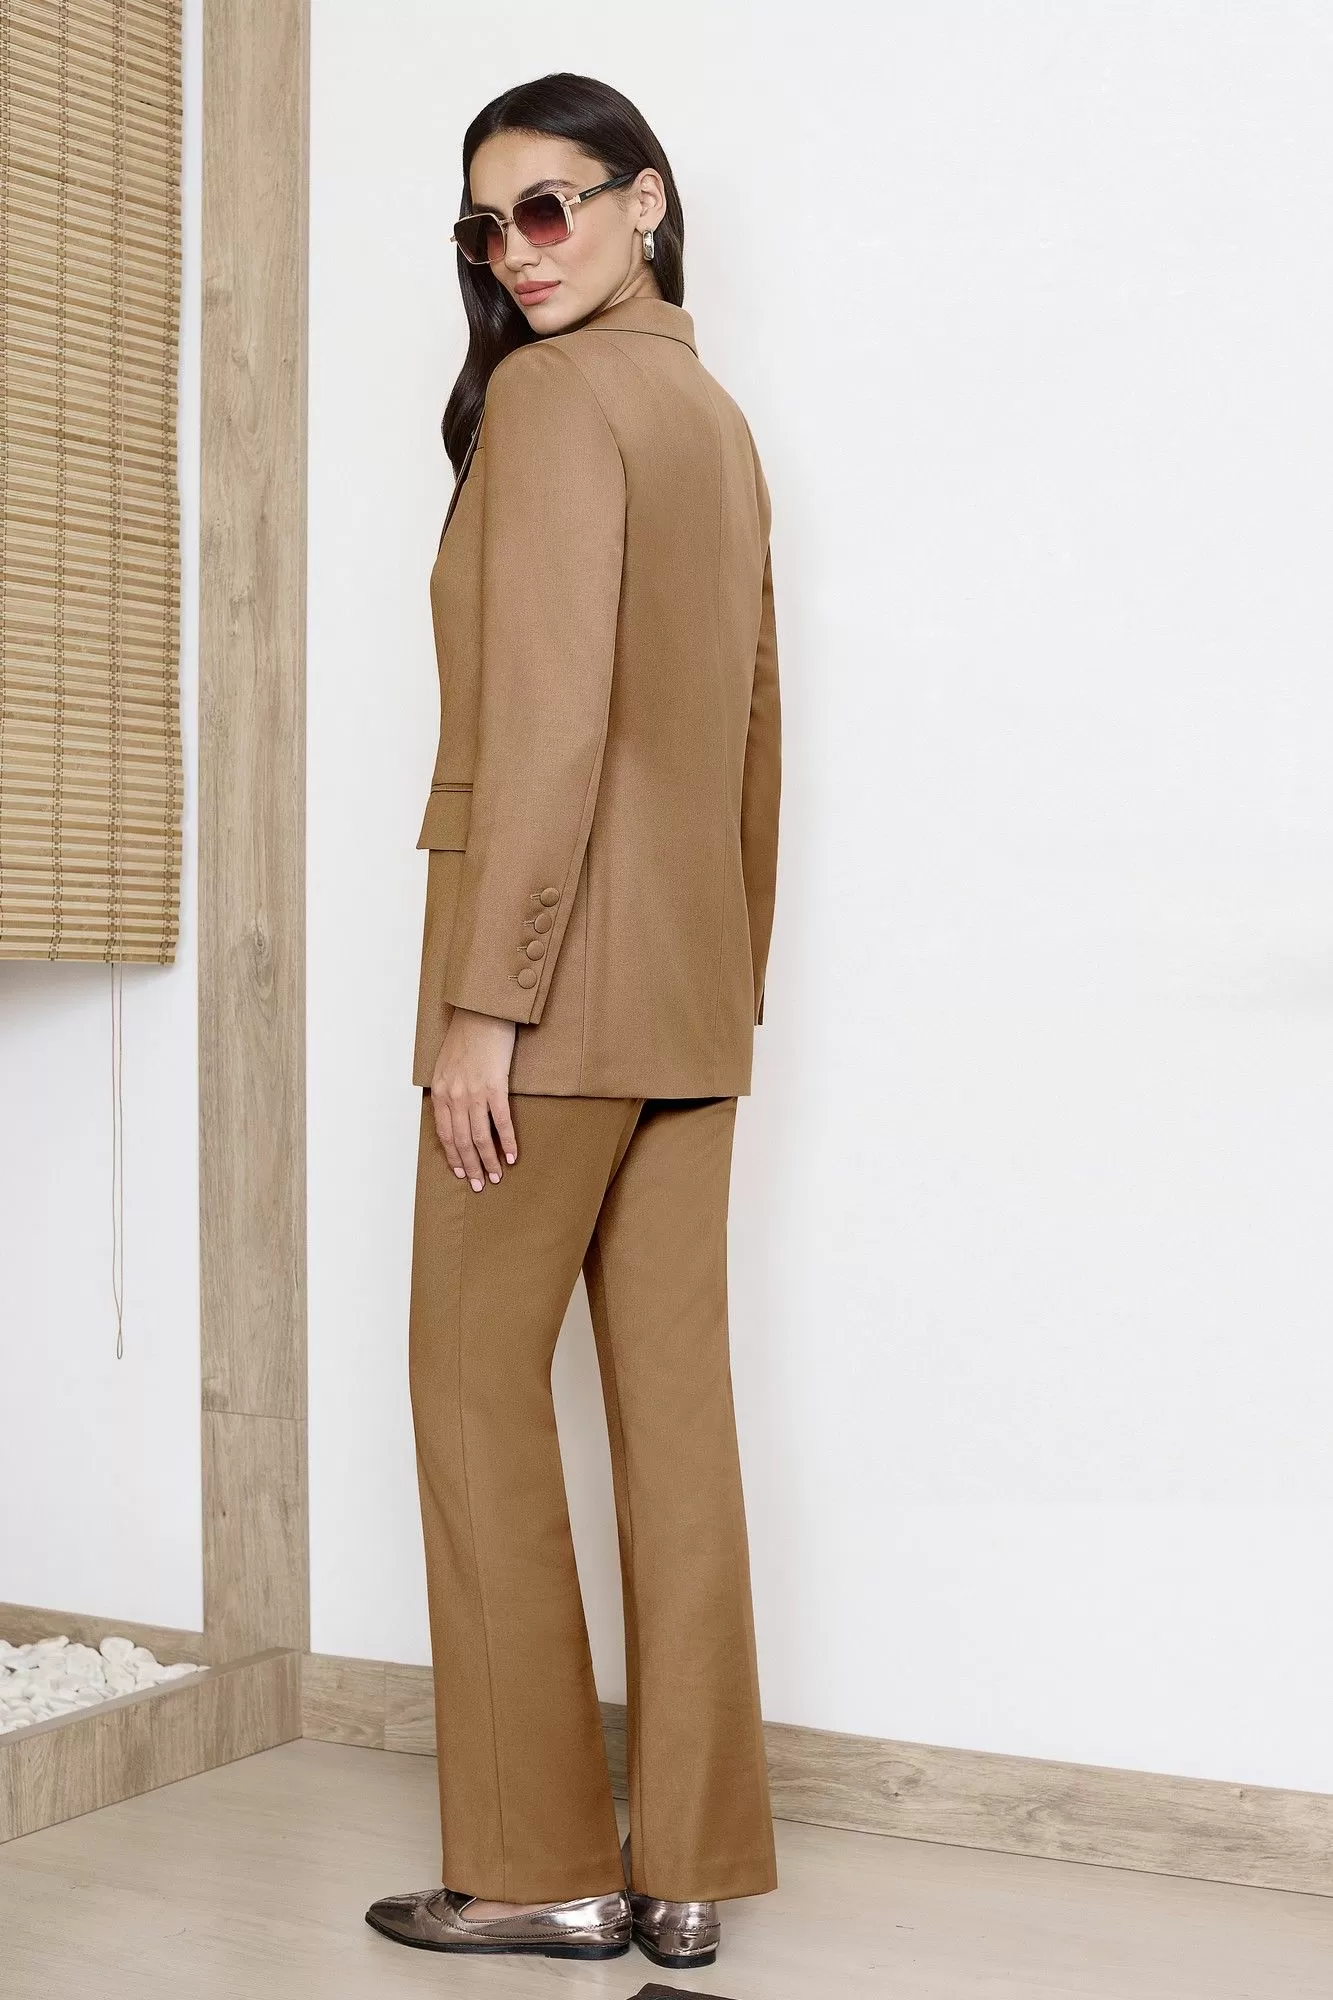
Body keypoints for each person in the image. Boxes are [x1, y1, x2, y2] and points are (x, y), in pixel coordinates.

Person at [365, 70, 782, 1970]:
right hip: (686, 994)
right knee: (674, 1418)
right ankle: (687, 1864)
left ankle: (538, 1862)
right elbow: (754, 741)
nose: (517, 251)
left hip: (547, 1002)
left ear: (645, 201)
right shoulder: (712, 415)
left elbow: (543, 737)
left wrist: (484, 1011)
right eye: (489, 223)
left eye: (550, 206)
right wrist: (732, 976)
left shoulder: (553, 404)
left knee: (470, 1386)